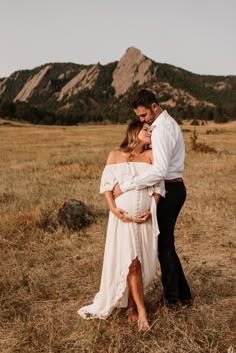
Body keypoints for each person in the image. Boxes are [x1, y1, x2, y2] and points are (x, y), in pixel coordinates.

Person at [78, 121, 165, 330]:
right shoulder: (115, 155)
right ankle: (138, 311)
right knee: (131, 263)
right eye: (146, 130)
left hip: (144, 219)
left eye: (151, 131)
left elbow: (158, 187)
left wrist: (152, 208)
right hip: (122, 219)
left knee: (140, 264)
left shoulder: (152, 156)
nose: (150, 134)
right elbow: (107, 186)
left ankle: (131, 305)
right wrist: (113, 209)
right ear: (134, 131)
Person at [113, 89, 192, 307]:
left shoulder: (162, 129)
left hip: (170, 189)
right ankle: (182, 293)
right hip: (170, 188)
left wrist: (127, 185)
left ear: (154, 107)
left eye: (143, 115)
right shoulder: (160, 126)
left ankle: (173, 299)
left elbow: (159, 170)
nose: (141, 120)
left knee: (163, 245)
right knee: (165, 243)